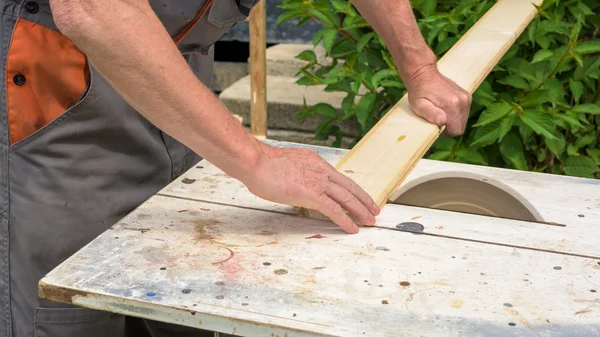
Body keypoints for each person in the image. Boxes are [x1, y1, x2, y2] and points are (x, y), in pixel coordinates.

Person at [0, 0, 471, 336]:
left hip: (173, 71)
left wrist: (418, 65)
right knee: (70, 302)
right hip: (55, 82)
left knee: (181, 291)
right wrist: (253, 159)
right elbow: (94, 10)